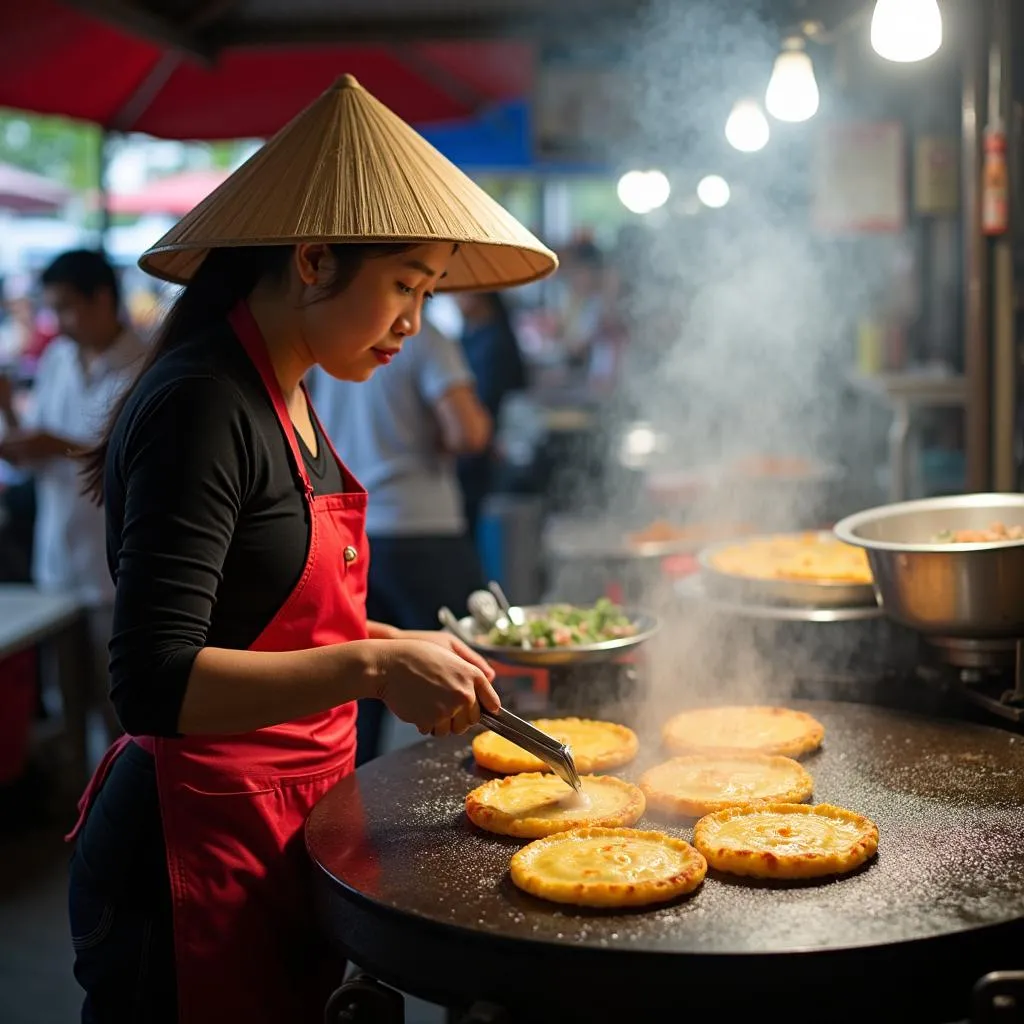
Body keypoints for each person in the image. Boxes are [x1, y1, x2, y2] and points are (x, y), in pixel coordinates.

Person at [64, 74, 556, 1024]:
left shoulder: (288, 394)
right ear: (316, 258)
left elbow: (263, 613)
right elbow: (154, 680)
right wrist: (373, 662)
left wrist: (403, 640)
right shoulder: (204, 403)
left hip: (281, 812)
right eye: (407, 283)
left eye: (429, 291)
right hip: (185, 839)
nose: (415, 321)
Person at [308, 318, 492, 765]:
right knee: (462, 693)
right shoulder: (425, 339)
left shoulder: (330, 341)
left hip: (350, 532)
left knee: (359, 699)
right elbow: (467, 431)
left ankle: (354, 810)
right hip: (422, 530)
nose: (412, 308)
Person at [0, 249, 145, 750]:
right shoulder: (59, 359)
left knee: (121, 712)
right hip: (57, 561)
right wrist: (12, 426)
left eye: (65, 308)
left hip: (114, 572)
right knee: (66, 704)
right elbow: (39, 449)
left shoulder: (145, 363)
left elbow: (144, 460)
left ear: (102, 299)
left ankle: (119, 818)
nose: (57, 322)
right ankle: (73, 813)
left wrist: (53, 444)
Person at [454, 291, 527, 539]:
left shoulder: (495, 342)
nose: (455, 299)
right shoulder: (469, 335)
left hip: (486, 450)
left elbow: (488, 400)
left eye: (459, 294)